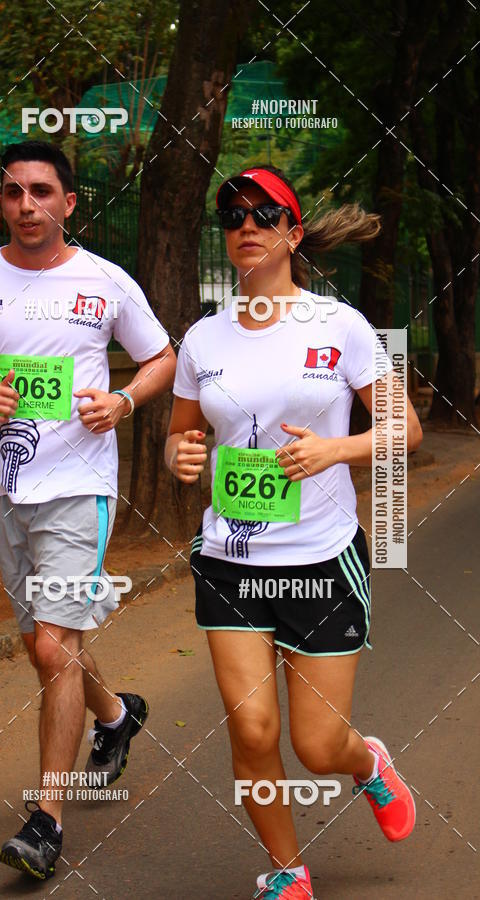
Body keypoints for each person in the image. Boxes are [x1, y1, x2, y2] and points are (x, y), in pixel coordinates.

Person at [0, 140, 176, 880]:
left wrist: (123, 399)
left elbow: (161, 356)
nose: (25, 205)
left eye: (40, 192)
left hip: (78, 485)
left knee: (51, 648)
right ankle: (117, 717)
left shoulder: (104, 281)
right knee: (45, 644)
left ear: (68, 203)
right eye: (12, 193)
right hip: (3, 487)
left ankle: (46, 821)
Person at [165, 165, 423, 899]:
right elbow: (181, 438)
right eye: (232, 215)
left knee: (316, 745)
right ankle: (286, 872)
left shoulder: (339, 326)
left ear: (292, 231)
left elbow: (405, 427)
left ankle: (365, 762)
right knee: (252, 734)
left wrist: (333, 450)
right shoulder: (202, 338)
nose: (245, 225)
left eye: (262, 214)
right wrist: (180, 456)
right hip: (230, 559)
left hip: (320, 557)